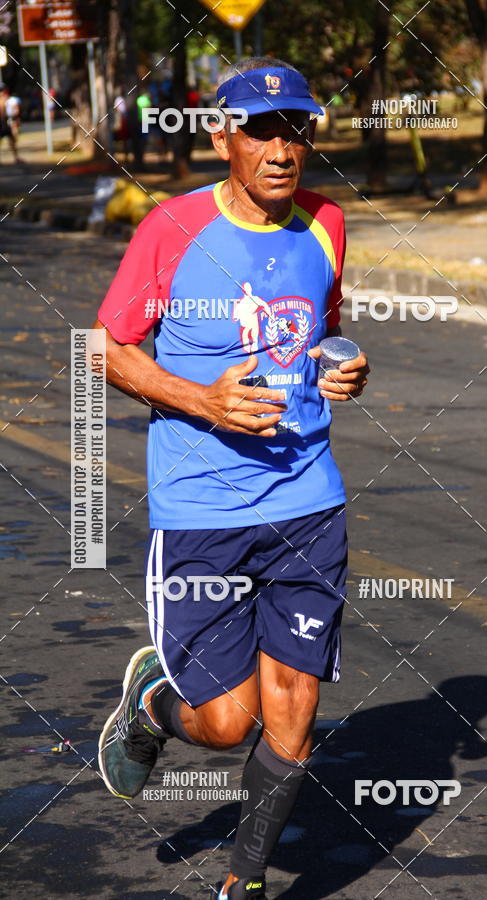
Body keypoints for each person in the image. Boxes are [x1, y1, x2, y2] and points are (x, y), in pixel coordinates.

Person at [94, 56, 369, 900]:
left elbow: (321, 325)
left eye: (297, 128)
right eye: (261, 130)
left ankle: (242, 883)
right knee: (227, 723)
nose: (282, 147)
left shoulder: (327, 223)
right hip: (202, 506)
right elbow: (107, 350)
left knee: (293, 709)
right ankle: (152, 706)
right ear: (223, 137)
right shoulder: (172, 229)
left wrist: (341, 367)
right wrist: (202, 402)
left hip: (308, 501)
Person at [0, 85, 23, 163]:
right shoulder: (4, 100)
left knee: (12, 141)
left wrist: (14, 118)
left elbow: (16, 110)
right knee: (11, 141)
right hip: (3, 123)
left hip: (7, 123)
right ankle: (16, 158)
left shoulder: (9, 100)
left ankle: (16, 158)